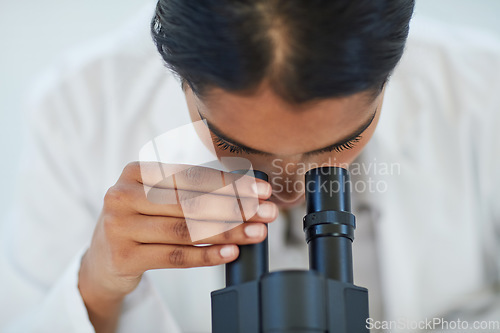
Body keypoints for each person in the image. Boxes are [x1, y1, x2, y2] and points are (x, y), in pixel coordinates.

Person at [1, 0, 500, 332]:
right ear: (179, 78)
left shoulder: (487, 91)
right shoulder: (77, 109)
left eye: (340, 143)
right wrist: (96, 286)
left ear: (390, 75)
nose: (287, 187)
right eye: (233, 143)